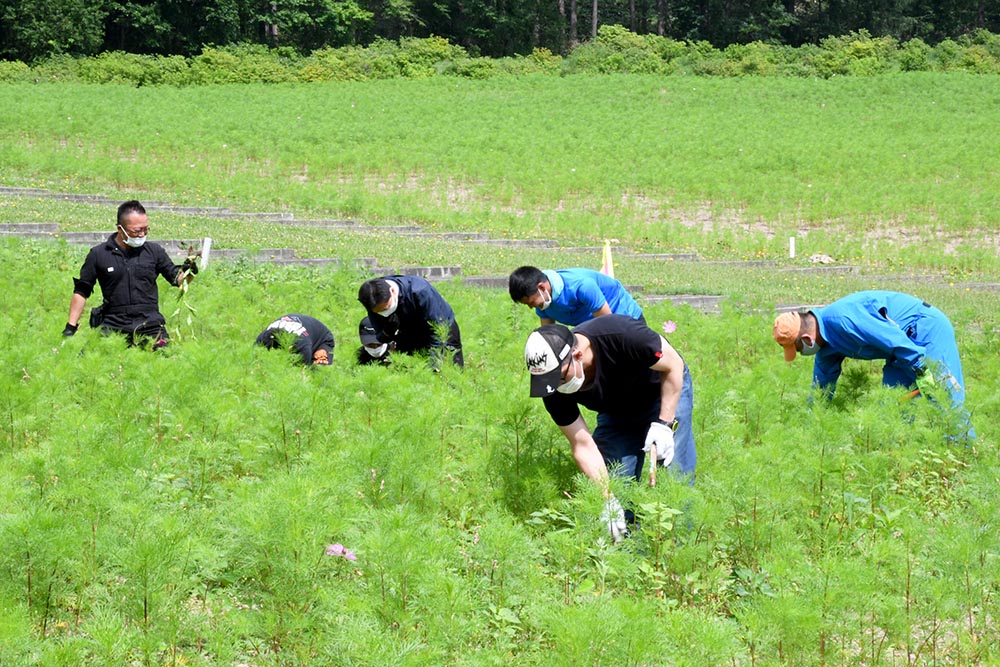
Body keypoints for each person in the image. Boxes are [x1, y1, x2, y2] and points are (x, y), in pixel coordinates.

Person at [524, 314, 696, 542]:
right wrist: (607, 497)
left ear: (577, 355)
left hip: (662, 391)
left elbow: (673, 365)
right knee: (616, 478)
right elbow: (581, 444)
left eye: (560, 378)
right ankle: (628, 550)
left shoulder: (620, 334)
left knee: (674, 472)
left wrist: (664, 424)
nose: (555, 386)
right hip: (616, 411)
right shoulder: (551, 387)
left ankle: (678, 546)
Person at [772, 290, 973, 436]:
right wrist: (811, 425)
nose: (799, 353)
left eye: (797, 349)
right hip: (900, 350)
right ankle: (902, 465)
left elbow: (893, 339)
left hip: (925, 330)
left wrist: (923, 371)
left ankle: (965, 456)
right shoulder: (825, 346)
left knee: (946, 402)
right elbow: (821, 388)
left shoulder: (843, 319)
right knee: (894, 409)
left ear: (807, 339)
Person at [62, 200, 197, 348]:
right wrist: (71, 326)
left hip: (150, 324)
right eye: (137, 231)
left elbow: (178, 280)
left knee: (168, 363)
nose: (142, 234)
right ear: (121, 229)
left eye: (146, 229)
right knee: (91, 363)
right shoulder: (98, 254)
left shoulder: (154, 251)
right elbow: (82, 291)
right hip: (114, 324)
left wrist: (190, 270)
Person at [357, 275, 463, 368]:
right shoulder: (372, 300)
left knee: (449, 371)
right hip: (408, 332)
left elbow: (438, 332)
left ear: (392, 291)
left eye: (386, 308)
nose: (384, 313)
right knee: (407, 370)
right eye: (378, 312)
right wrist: (389, 330)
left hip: (441, 329)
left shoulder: (420, 291)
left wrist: (434, 362)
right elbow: (381, 337)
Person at [508, 265, 644, 326]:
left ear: (542, 287)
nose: (532, 308)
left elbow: (607, 327)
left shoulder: (581, 286)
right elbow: (549, 334)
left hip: (624, 317)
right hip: (594, 324)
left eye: (531, 303)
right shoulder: (544, 301)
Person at [255, 314, 335, 365]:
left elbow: (304, 368)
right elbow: (254, 355)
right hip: (300, 330)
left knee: (319, 365)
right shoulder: (264, 336)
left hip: (322, 339)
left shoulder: (302, 342)